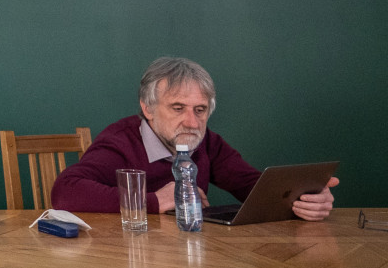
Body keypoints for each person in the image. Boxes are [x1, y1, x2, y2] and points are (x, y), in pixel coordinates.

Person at [51, 56, 338, 220]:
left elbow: (253, 187)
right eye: (178, 108)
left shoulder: (207, 142)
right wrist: (153, 200)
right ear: (147, 108)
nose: (191, 122)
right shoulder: (121, 141)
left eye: (200, 110)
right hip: (130, 265)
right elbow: (65, 191)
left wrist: (303, 197)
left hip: (191, 258)